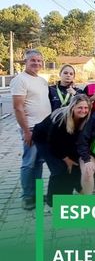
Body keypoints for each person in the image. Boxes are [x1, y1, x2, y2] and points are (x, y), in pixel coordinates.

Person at [33, 95, 91, 205]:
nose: (83, 111)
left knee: (73, 166)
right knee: (58, 169)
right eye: (80, 107)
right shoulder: (61, 119)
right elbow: (53, 143)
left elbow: (72, 140)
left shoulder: (85, 119)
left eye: (86, 108)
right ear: (72, 107)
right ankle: (52, 201)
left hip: (61, 141)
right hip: (44, 140)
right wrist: (65, 158)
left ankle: (70, 193)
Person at [11, 49, 51, 210]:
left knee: (39, 162)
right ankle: (27, 196)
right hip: (31, 128)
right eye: (32, 60)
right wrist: (26, 131)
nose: (36, 63)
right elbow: (18, 107)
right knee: (28, 162)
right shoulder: (20, 80)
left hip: (44, 129)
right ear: (25, 62)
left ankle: (35, 193)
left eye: (39, 60)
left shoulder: (42, 80)